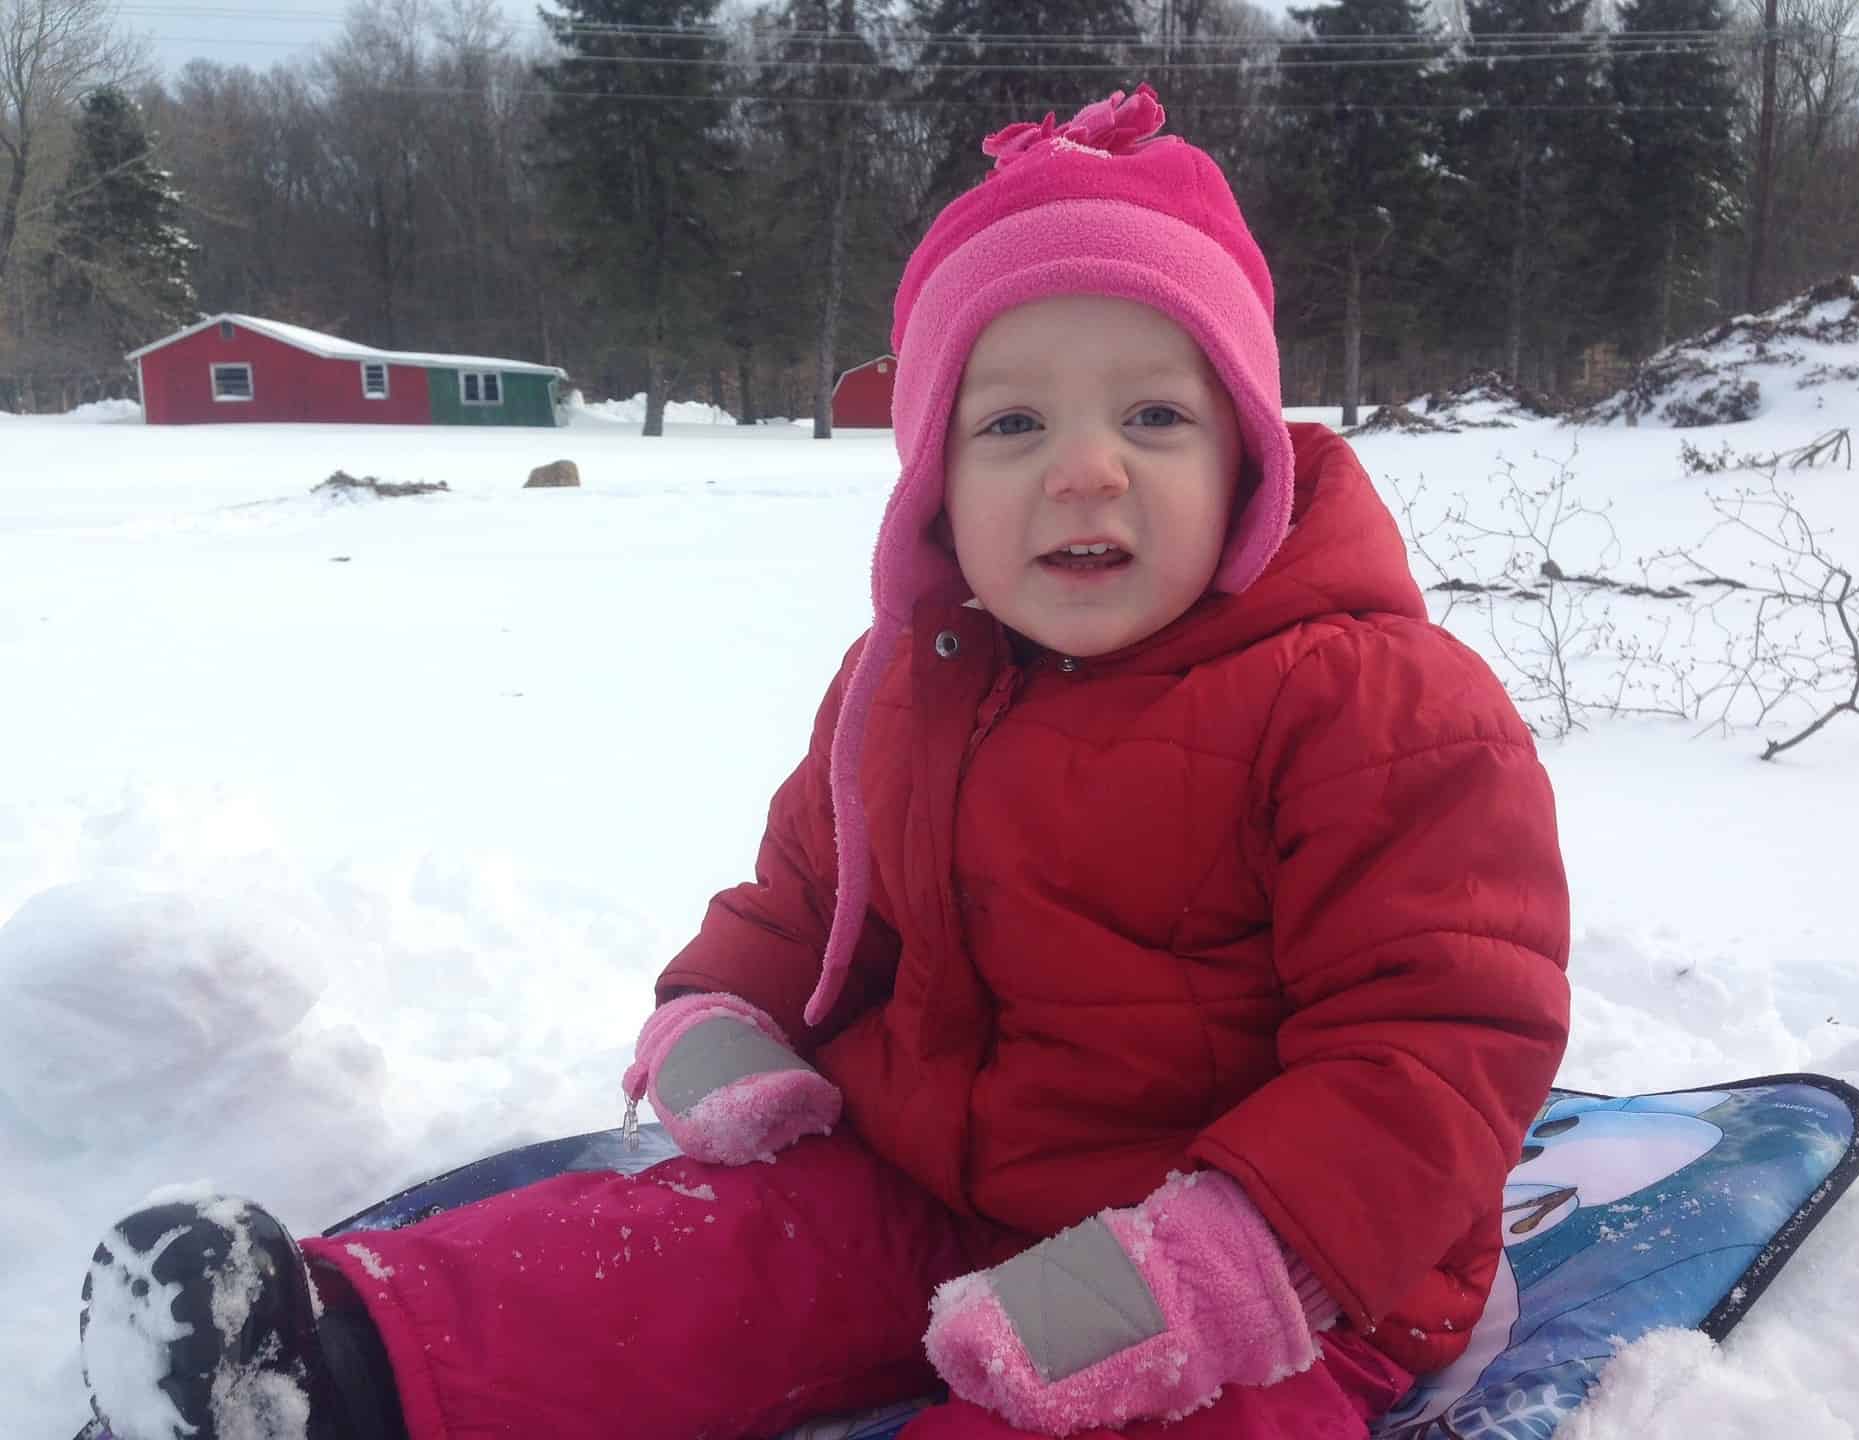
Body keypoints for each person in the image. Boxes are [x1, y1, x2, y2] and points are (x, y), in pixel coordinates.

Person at [79, 85, 1571, 1440]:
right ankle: (323, 1362)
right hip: (932, 1191)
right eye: (1013, 423)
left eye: (1156, 416)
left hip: (1270, 1276)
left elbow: (1438, 1045)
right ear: (934, 484)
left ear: (1251, 458)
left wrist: (1224, 1264)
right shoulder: (903, 683)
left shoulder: (1370, 701)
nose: (1086, 467)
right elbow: (810, 900)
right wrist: (719, 1016)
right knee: (703, 1262)